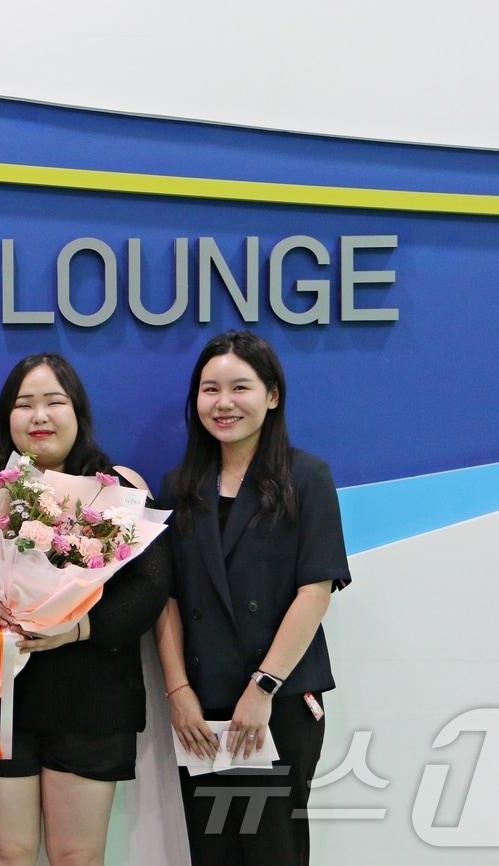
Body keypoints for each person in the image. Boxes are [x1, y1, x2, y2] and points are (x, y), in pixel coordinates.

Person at [0, 353, 170, 866]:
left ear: (78, 412)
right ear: (8, 419)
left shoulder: (118, 492)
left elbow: (150, 589)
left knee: (78, 856)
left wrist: (80, 627)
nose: (39, 416)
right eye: (25, 404)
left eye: (53, 402)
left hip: (92, 698)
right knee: (5, 854)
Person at [155, 331, 351, 866]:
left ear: (272, 395)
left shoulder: (306, 477)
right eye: (209, 389)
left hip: (278, 703)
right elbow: (166, 600)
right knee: (213, 851)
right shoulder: (179, 487)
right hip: (203, 707)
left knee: (273, 852)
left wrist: (263, 686)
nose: (223, 403)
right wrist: (177, 692)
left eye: (240, 387)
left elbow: (315, 590)